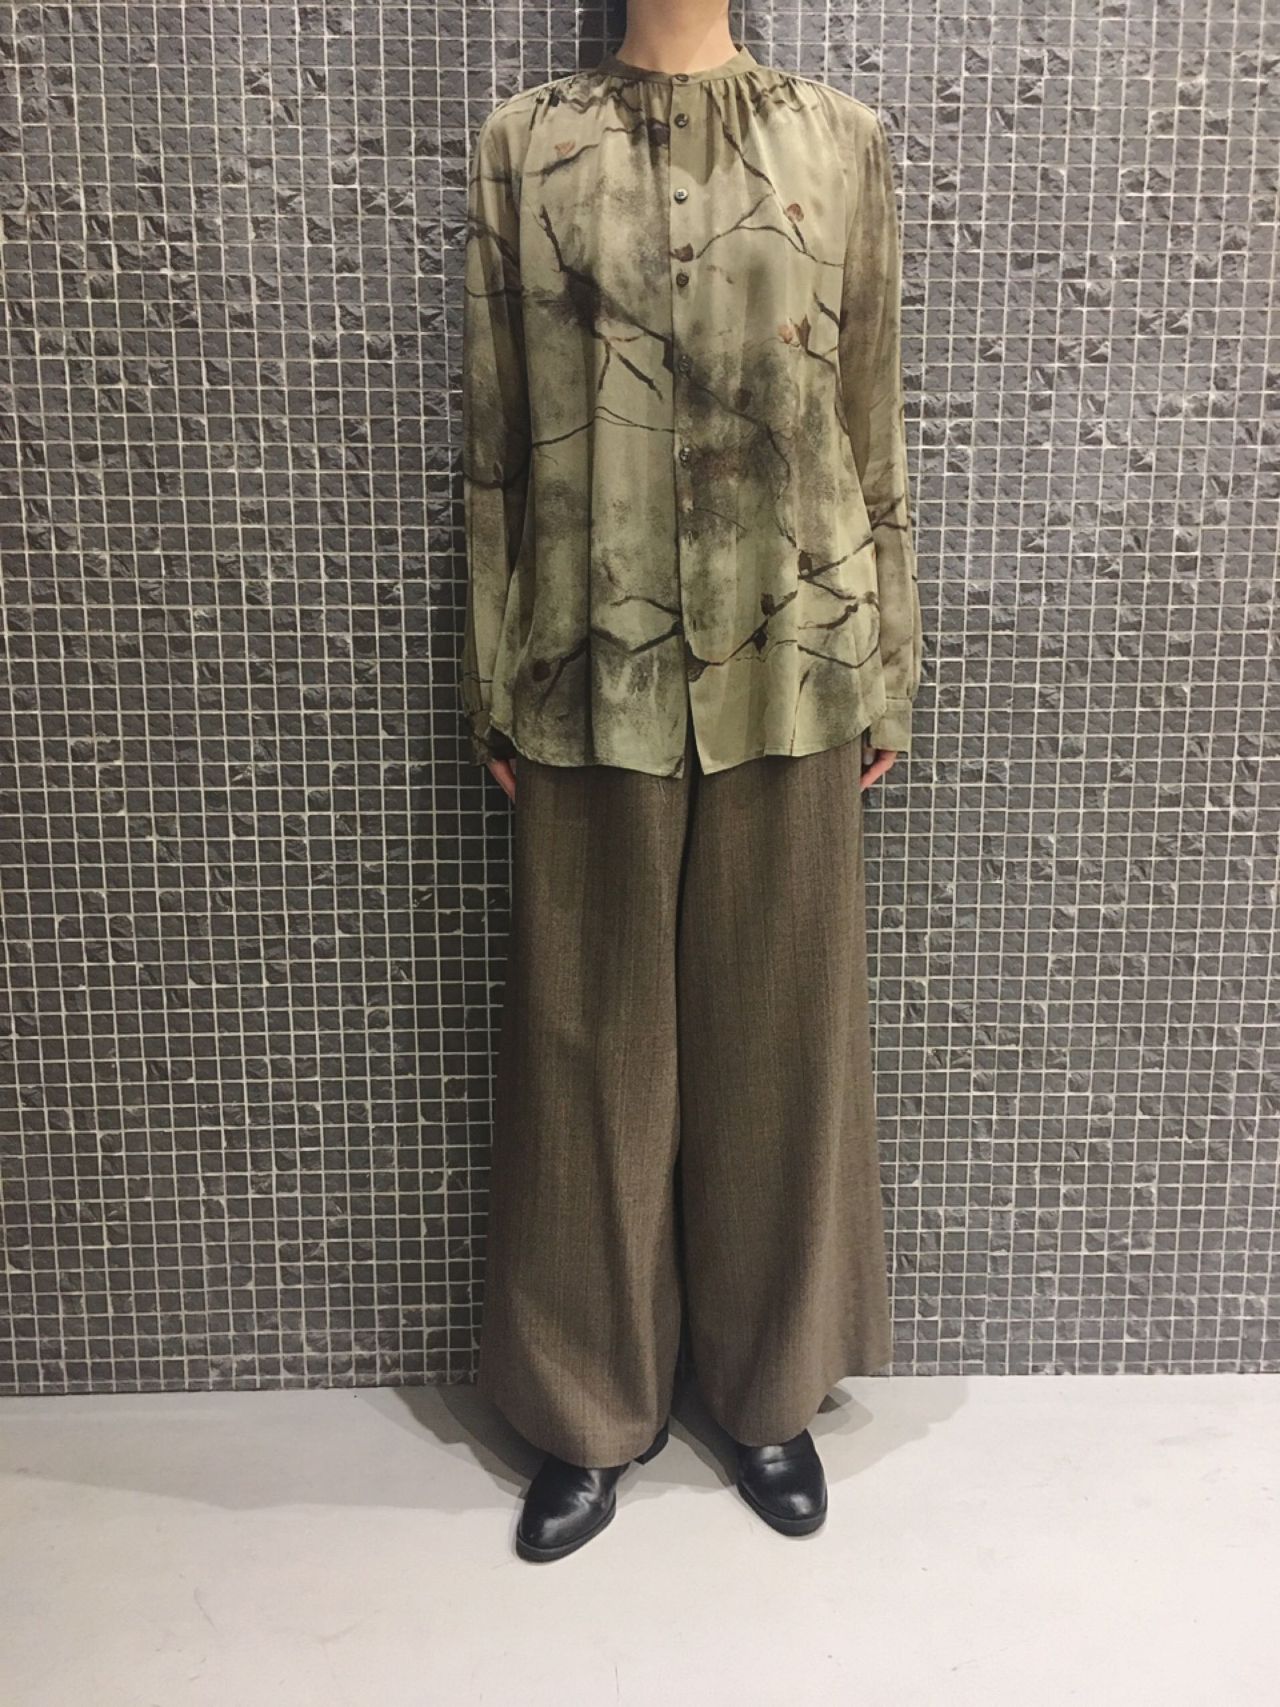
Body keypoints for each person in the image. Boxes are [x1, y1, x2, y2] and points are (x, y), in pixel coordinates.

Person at [460, 1, 924, 1562]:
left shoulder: (839, 141)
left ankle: (771, 1389)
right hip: (588, 661)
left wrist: (889, 661)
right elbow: (497, 437)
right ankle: (589, 1407)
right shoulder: (527, 143)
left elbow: (869, 417)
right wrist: (493, 676)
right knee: (588, 1047)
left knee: (782, 1036)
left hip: (796, 656)